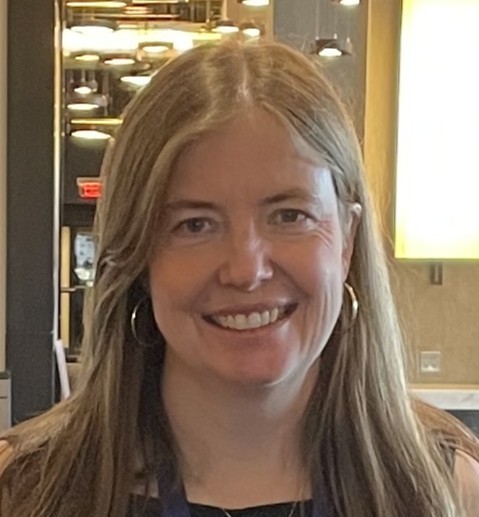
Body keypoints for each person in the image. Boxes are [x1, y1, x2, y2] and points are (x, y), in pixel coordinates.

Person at [1, 40, 479, 517]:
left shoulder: (447, 491)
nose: (247, 270)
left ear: (347, 239)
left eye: (289, 216)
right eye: (195, 225)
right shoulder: (24, 492)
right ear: (138, 256)